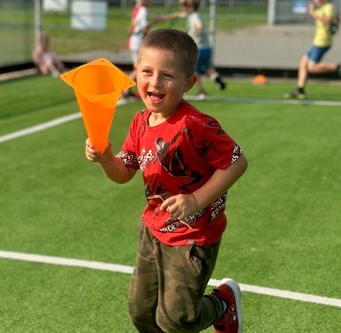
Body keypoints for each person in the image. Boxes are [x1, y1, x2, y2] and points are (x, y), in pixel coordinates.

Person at [85, 28, 247, 333]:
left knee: (178, 320)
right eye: (147, 71)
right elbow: (123, 173)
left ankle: (222, 304)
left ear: (188, 83)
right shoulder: (139, 122)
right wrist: (106, 158)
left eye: (167, 76)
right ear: (135, 73)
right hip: (152, 230)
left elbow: (237, 163)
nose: (155, 82)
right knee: (141, 314)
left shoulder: (196, 125)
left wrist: (196, 199)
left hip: (193, 237)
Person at [154, 0, 227, 100]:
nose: (183, 8)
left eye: (185, 6)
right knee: (208, 67)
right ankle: (216, 77)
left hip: (197, 48)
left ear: (191, 7)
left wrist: (198, 28)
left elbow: (198, 24)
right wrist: (161, 18)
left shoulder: (194, 16)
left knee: (194, 71)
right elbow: (177, 15)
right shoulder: (194, 14)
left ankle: (201, 91)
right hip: (207, 47)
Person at [284, 0, 341, 100]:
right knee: (303, 62)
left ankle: (338, 67)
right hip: (317, 41)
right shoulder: (323, 8)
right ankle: (300, 90)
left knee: (312, 67)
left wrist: (312, 13)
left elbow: (327, 20)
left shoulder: (329, 7)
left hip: (323, 42)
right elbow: (336, 19)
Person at [121, 0, 153, 100]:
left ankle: (127, 90)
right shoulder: (143, 10)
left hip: (134, 40)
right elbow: (144, 27)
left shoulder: (136, 8)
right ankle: (125, 90)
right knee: (138, 68)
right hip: (137, 42)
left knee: (137, 67)